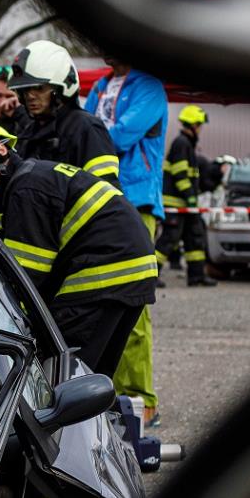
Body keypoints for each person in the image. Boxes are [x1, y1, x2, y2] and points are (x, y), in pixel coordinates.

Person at [0, 120, 157, 375]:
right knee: (97, 372)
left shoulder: (25, 189)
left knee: (64, 370)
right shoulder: (38, 175)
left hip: (101, 273)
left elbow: (29, 275)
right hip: (135, 270)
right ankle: (104, 414)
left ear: (1, 149)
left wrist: (6, 320)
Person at [83, 56, 166, 423]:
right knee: (100, 300)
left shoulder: (149, 87)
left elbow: (113, 136)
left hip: (137, 201)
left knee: (134, 302)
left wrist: (91, 132)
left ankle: (140, 398)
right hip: (97, 201)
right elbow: (84, 129)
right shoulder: (101, 86)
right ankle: (104, 394)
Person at [7, 39, 119, 183]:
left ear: (61, 87)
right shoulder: (29, 133)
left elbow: (105, 193)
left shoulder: (86, 128)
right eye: (25, 89)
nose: (30, 96)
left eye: (39, 88)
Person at [158, 105, 216, 287]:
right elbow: (180, 173)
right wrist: (190, 196)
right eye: (199, 125)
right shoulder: (181, 143)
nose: (200, 129)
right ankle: (149, 276)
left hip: (186, 203)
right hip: (177, 203)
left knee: (194, 237)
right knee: (169, 239)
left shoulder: (187, 144)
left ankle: (196, 275)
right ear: (193, 125)